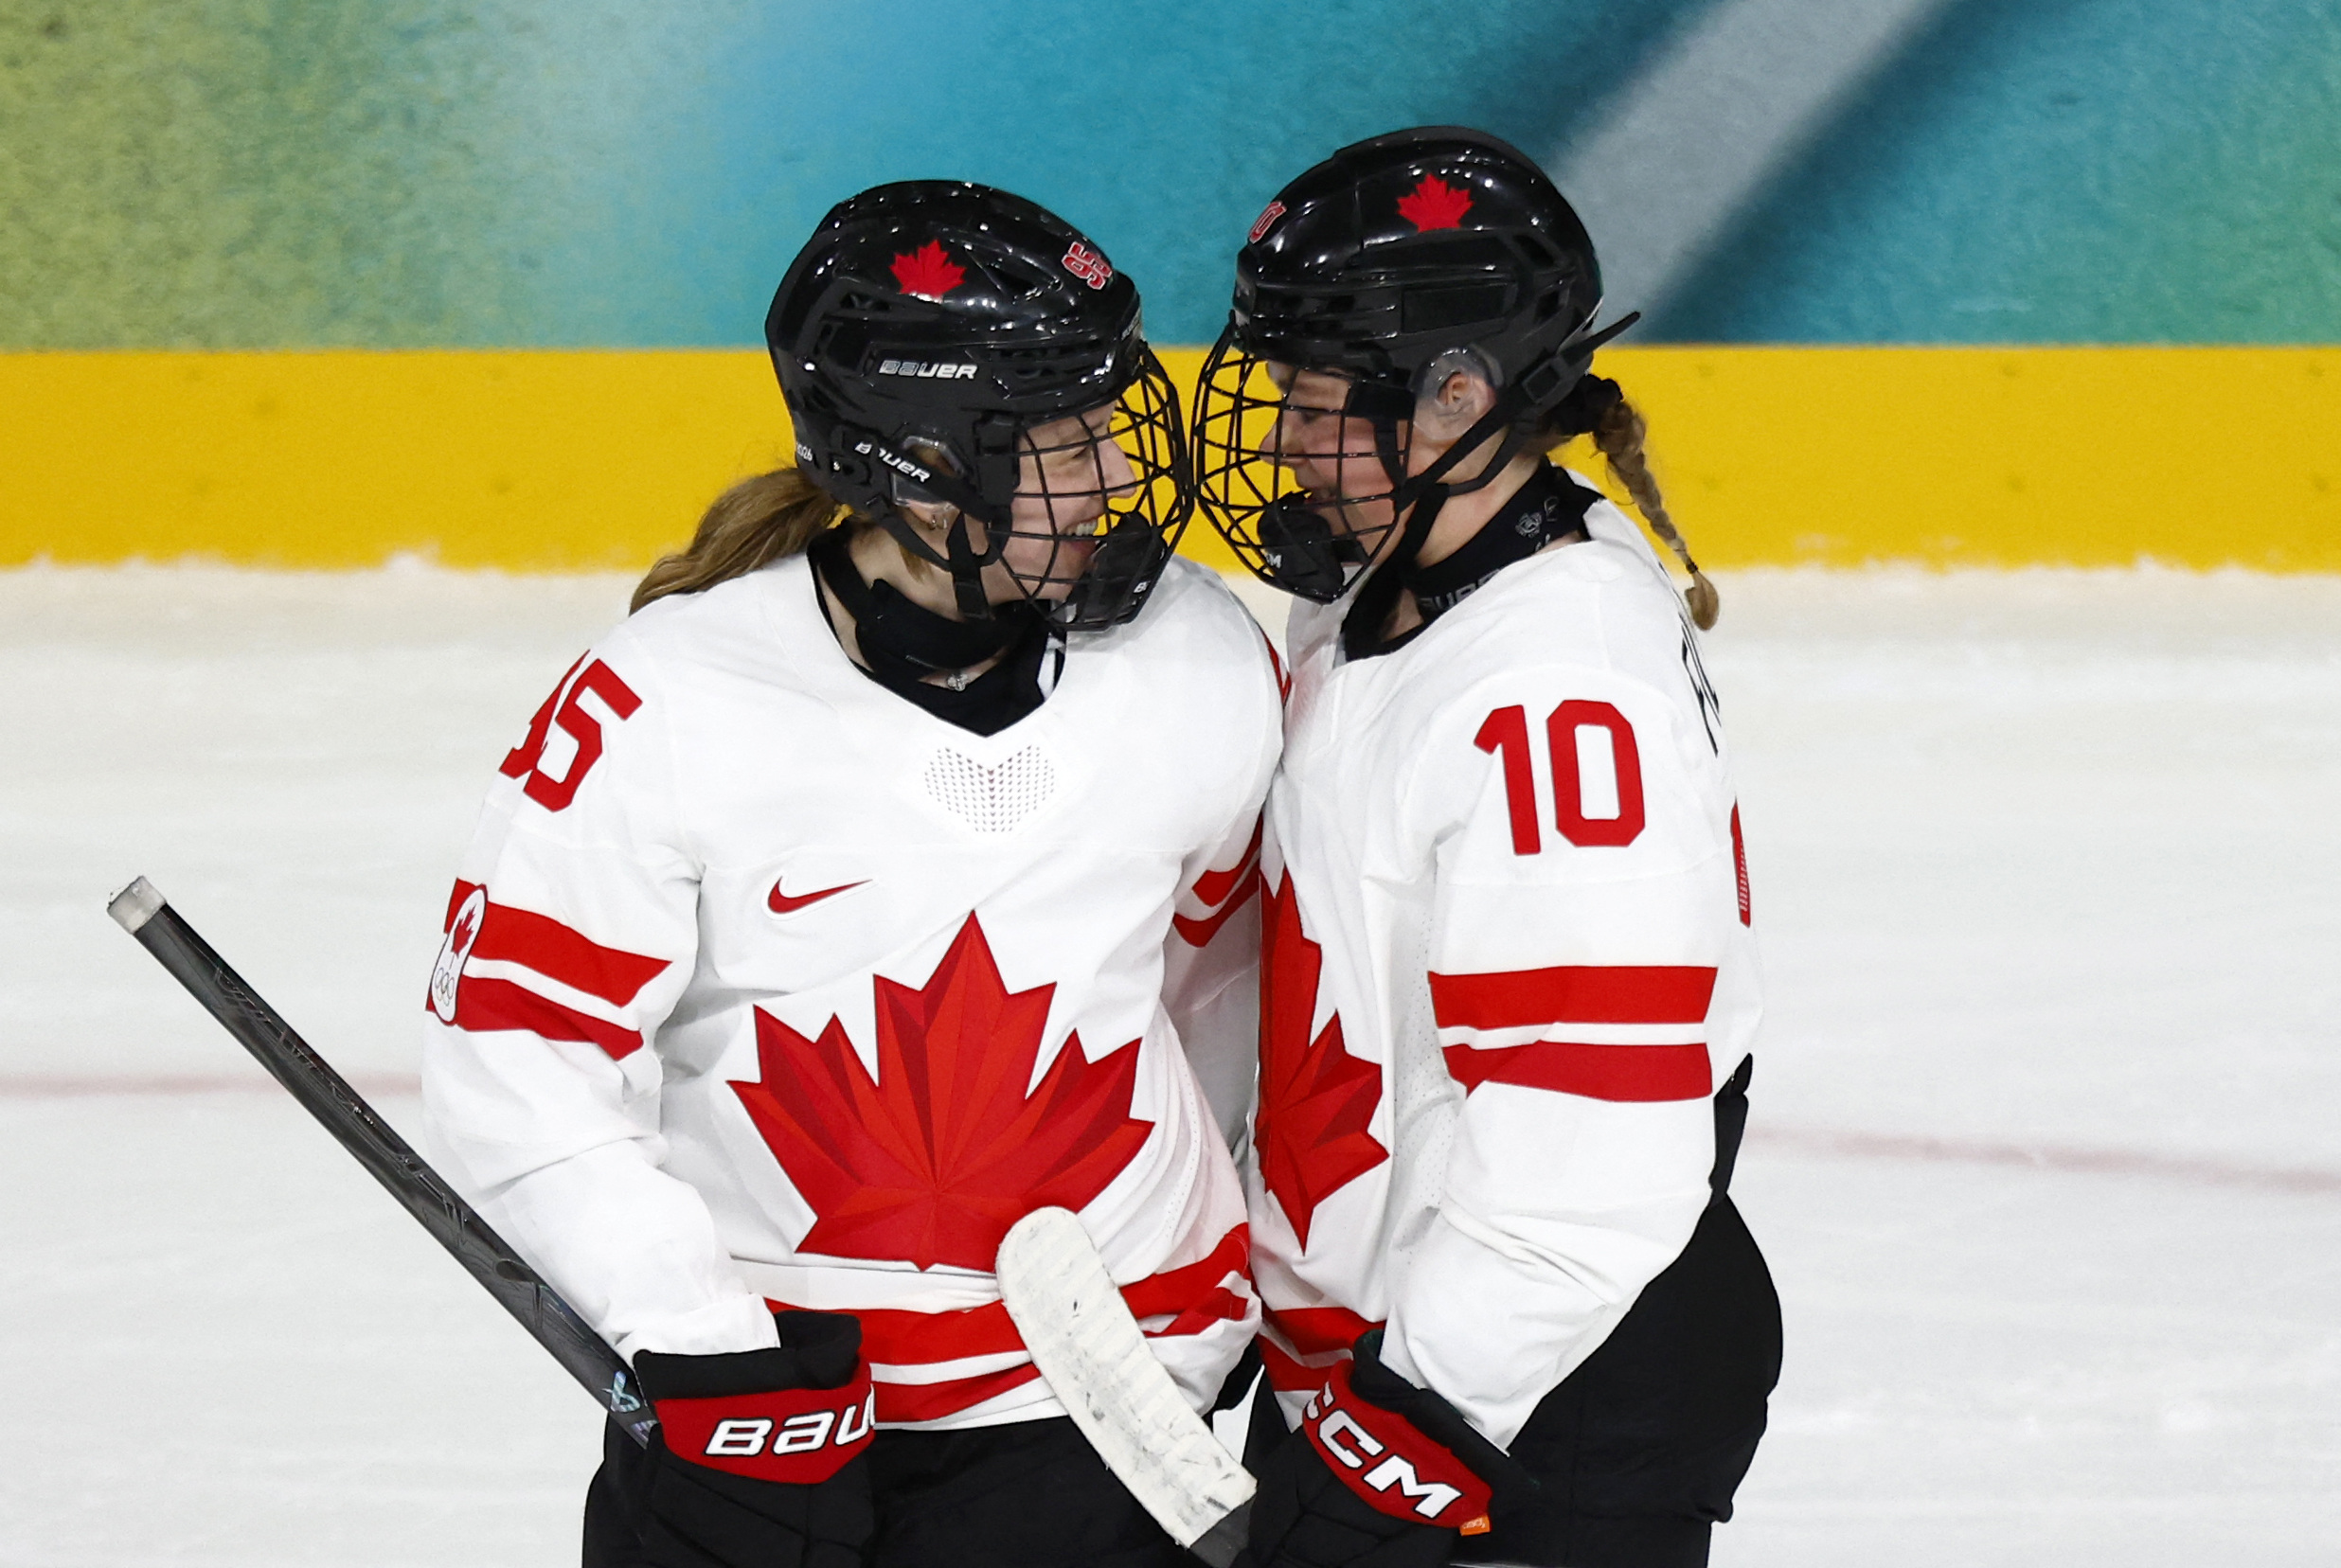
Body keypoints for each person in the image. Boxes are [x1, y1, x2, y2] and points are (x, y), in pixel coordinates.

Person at [420, 181, 1282, 1568]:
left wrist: (1186, 1322)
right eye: (1059, 441)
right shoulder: (666, 702)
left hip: (1103, 1412)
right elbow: (522, 1053)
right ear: (918, 469)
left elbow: (1220, 989)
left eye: (1108, 419)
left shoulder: (1202, 660)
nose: (1117, 477)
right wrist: (707, 1361)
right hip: (770, 1411)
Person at [1189, 128, 1780, 1568]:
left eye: (1320, 404)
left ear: (1457, 396)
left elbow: (1597, 1144)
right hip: (1393, 1372)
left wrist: (1411, 1429)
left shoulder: (1559, 686)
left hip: (1536, 1404)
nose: (1282, 443)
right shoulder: (1385, 583)